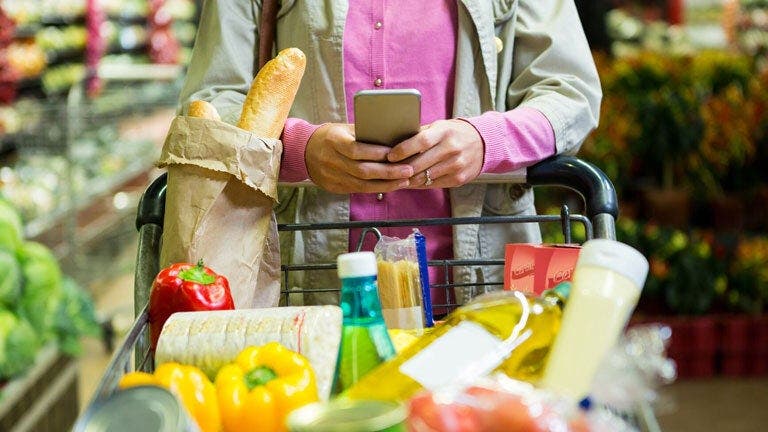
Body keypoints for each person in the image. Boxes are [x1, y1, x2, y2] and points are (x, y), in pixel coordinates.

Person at [179, 0, 602, 307]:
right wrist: (298, 149)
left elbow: (571, 93)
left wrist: (487, 140)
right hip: (308, 282)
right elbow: (210, 101)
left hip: (481, 281)